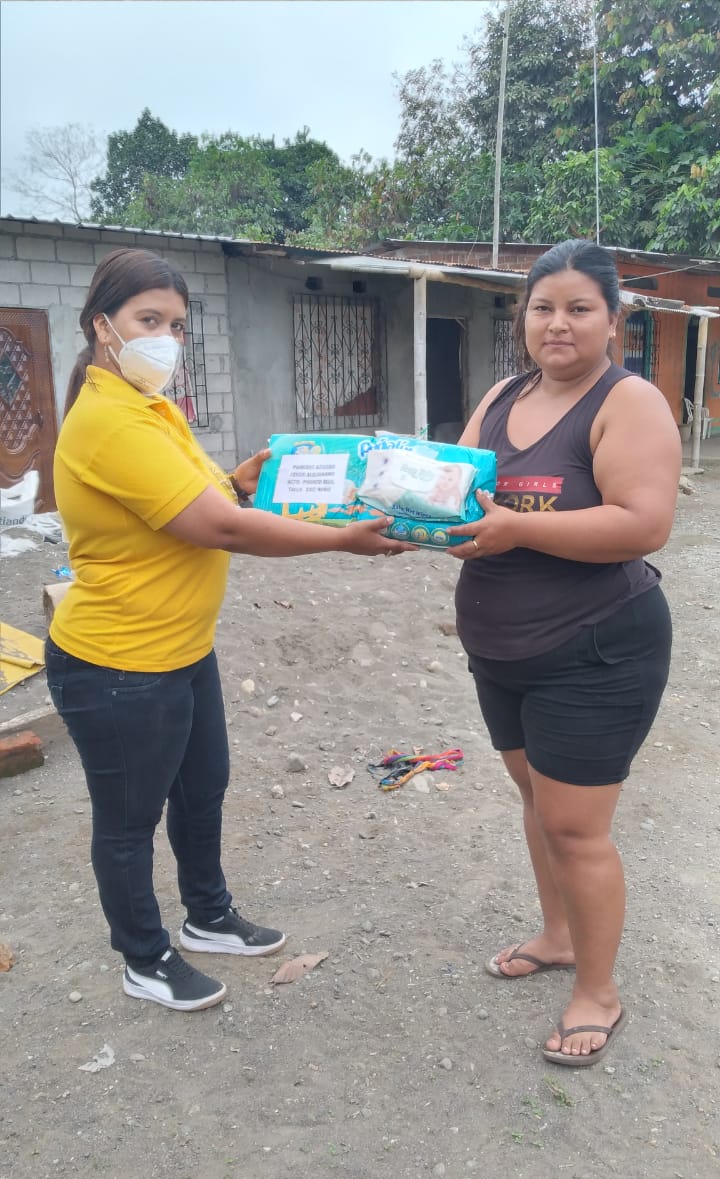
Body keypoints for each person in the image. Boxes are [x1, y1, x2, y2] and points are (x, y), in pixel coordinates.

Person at [46, 247, 409, 1014]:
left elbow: (210, 493)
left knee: (202, 788)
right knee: (128, 823)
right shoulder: (107, 420)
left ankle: (207, 916)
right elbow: (220, 527)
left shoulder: (152, 409)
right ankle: (144, 957)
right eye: (149, 320)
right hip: (118, 663)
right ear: (102, 326)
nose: (167, 339)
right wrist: (342, 539)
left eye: (177, 325)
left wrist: (246, 477)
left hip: (181, 649)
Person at [446, 239, 681, 1066]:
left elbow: (643, 524)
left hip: (596, 649)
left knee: (577, 829)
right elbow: (456, 496)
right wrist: (402, 518)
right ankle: (557, 935)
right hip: (500, 648)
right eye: (543, 308)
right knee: (537, 801)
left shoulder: (629, 402)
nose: (558, 323)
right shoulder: (502, 397)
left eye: (580, 308)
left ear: (613, 320)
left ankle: (599, 992)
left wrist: (514, 528)